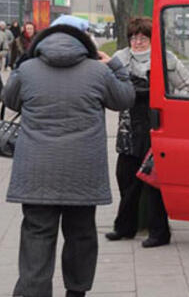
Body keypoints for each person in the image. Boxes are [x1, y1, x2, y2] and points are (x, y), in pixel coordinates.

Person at [2, 19, 135, 297]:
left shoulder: (27, 70)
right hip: (83, 173)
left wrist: (23, 65)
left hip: (36, 173)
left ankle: (33, 292)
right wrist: (115, 65)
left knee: (37, 235)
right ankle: (76, 291)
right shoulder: (98, 72)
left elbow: (11, 101)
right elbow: (124, 99)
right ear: (85, 44)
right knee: (81, 235)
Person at [105, 17, 189, 248]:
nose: (137, 42)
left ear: (151, 39)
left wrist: (172, 107)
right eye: (134, 37)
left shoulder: (166, 59)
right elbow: (107, 89)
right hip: (128, 129)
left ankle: (159, 233)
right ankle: (125, 227)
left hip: (157, 129)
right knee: (125, 179)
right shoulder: (119, 59)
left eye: (143, 37)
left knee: (154, 183)